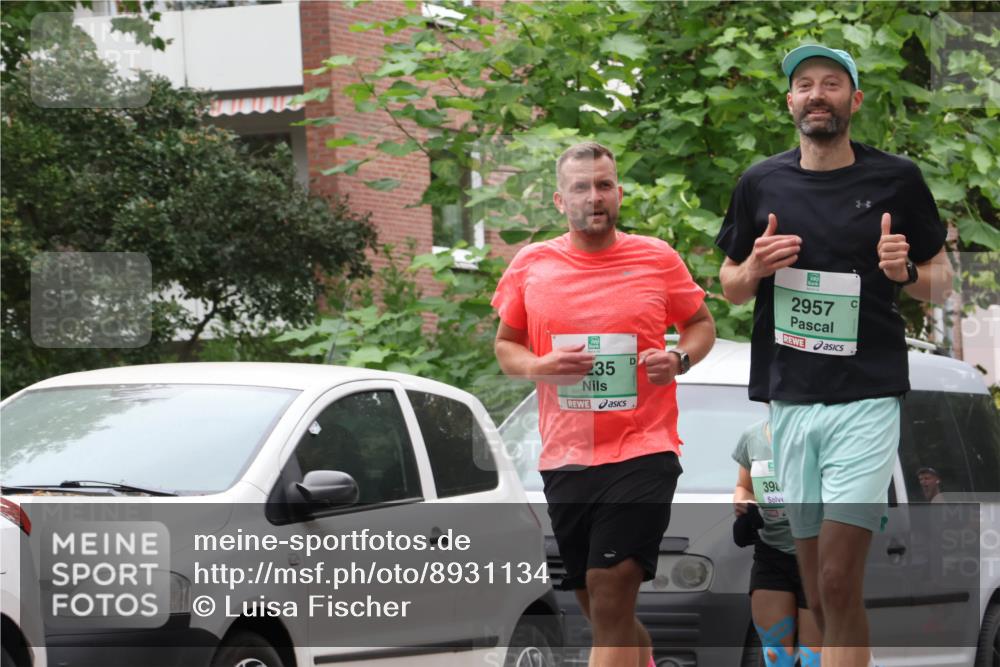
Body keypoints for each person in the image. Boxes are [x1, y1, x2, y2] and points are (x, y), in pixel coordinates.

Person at [716, 45, 953, 667]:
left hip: (866, 400)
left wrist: (905, 273)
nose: (816, 94)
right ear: (790, 100)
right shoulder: (760, 182)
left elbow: (941, 279)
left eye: (830, 84)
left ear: (854, 100)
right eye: (804, 84)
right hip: (790, 403)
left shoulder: (895, 178)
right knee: (817, 588)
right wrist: (754, 266)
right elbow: (730, 286)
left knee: (842, 580)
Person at [492, 142, 716, 667]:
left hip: (643, 449)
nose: (595, 197)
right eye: (581, 187)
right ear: (559, 199)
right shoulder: (532, 264)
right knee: (600, 609)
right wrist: (538, 367)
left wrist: (679, 360)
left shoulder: (656, 258)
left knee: (609, 589)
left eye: (604, 185)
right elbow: (507, 345)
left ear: (618, 191)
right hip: (566, 456)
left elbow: (700, 325)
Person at [732, 419, 822, 667]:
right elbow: (743, 486)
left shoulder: (822, 434)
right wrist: (743, 503)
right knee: (775, 655)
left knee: (813, 659)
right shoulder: (752, 437)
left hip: (818, 555)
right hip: (772, 552)